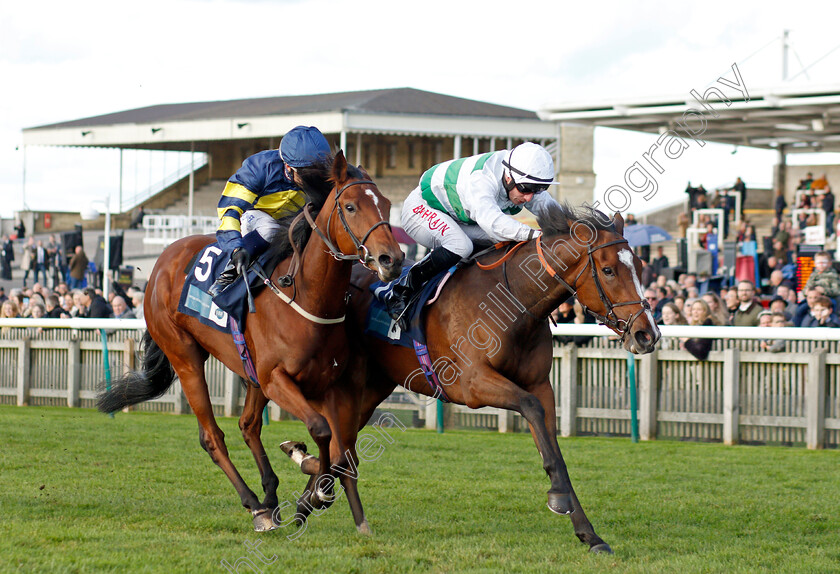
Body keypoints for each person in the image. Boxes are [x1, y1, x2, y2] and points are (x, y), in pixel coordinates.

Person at [385, 142, 563, 323]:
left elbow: (553, 212)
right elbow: (492, 222)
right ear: (508, 178)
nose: (529, 197)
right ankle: (403, 288)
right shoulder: (482, 180)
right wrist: (536, 235)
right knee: (461, 245)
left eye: (538, 190)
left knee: (507, 242)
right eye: (526, 189)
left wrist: (574, 229)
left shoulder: (521, 176)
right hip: (421, 209)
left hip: (459, 218)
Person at [208, 125, 332, 297]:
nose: (313, 179)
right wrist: (236, 248)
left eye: (316, 172)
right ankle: (227, 276)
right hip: (255, 216)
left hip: (292, 220)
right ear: (288, 167)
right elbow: (230, 211)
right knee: (270, 228)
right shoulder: (259, 168)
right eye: (306, 174)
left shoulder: (320, 171)